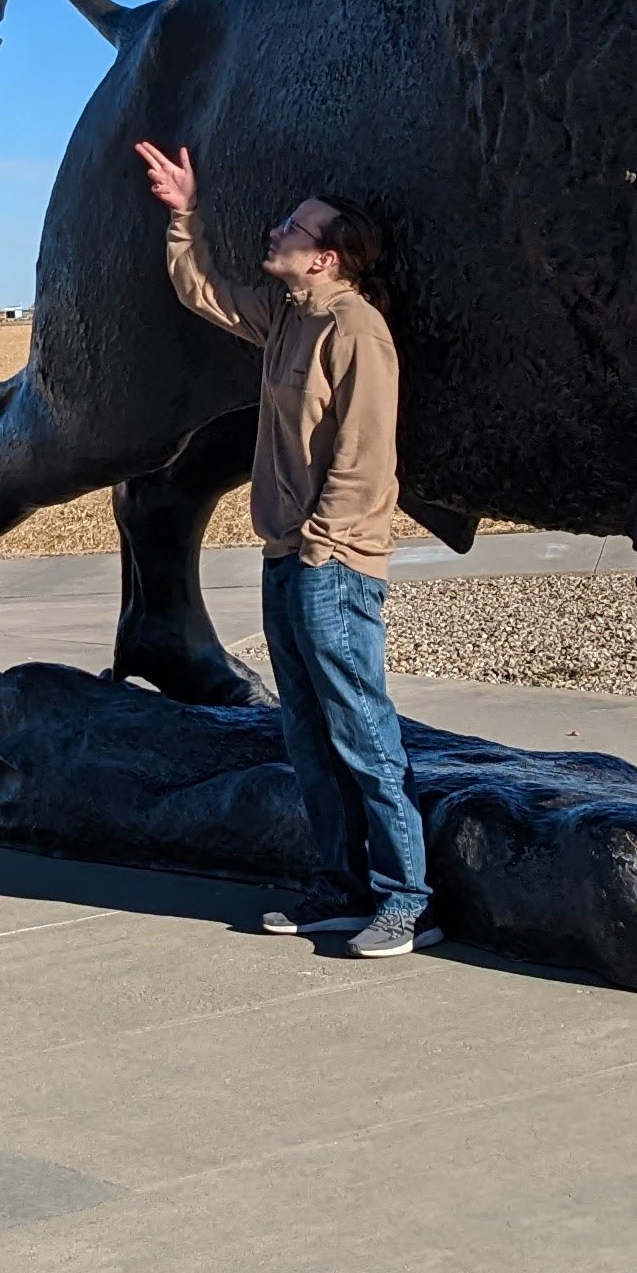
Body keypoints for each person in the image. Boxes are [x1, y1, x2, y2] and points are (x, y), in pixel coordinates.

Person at [134, 142, 431, 958]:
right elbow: (204, 294)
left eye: (293, 228)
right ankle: (338, 889)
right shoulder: (288, 320)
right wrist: (182, 215)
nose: (277, 232)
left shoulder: (357, 332)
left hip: (330, 566)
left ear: (325, 257)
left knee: (363, 732)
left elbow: (366, 458)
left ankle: (408, 902)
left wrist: (320, 549)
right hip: (287, 558)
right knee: (307, 733)